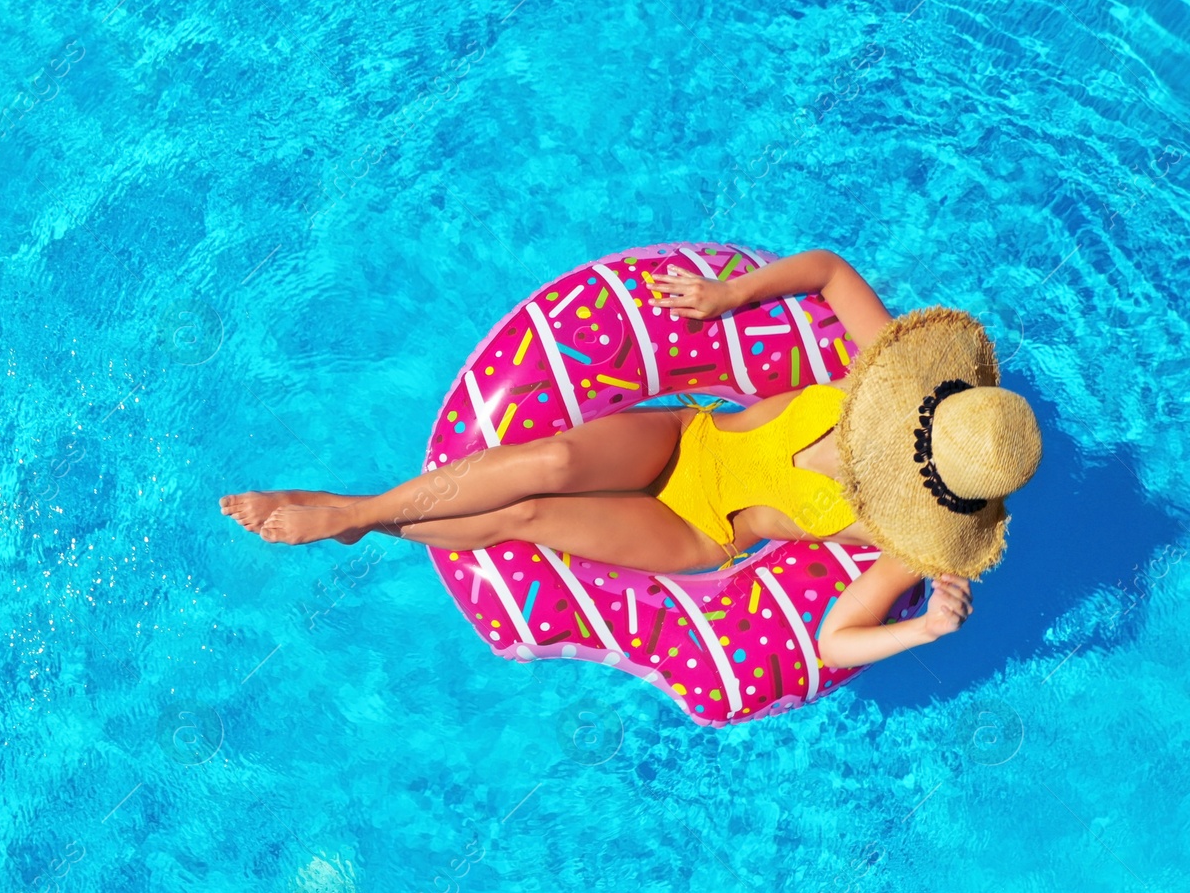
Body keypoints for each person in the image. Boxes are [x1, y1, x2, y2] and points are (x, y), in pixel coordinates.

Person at [221, 249, 1042, 670]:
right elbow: (829, 271)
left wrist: (927, 629)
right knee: (543, 462)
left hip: (698, 527)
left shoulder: (906, 540)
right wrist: (732, 295)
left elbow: (833, 639)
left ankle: (356, 518)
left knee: (528, 517)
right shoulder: (886, 367)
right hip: (691, 435)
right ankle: (357, 514)